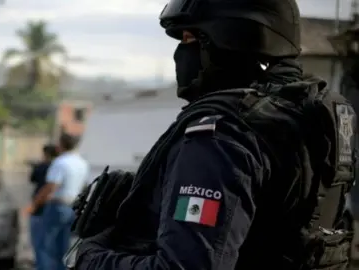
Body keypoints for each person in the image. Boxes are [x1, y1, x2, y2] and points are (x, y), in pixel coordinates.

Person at [73, 0, 356, 269]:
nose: (179, 54)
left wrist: (89, 257)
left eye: (187, 39)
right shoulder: (305, 119)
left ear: (226, 37)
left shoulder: (221, 135)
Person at [25, 133, 89, 270]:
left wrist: (34, 204)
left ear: (61, 145)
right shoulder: (82, 162)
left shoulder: (60, 162)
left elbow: (51, 186)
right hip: (72, 207)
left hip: (57, 206)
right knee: (63, 248)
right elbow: (84, 186)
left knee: (45, 247)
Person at [26, 143, 59, 270]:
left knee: (39, 243)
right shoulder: (58, 166)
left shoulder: (43, 166)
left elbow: (33, 179)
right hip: (54, 207)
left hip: (40, 208)